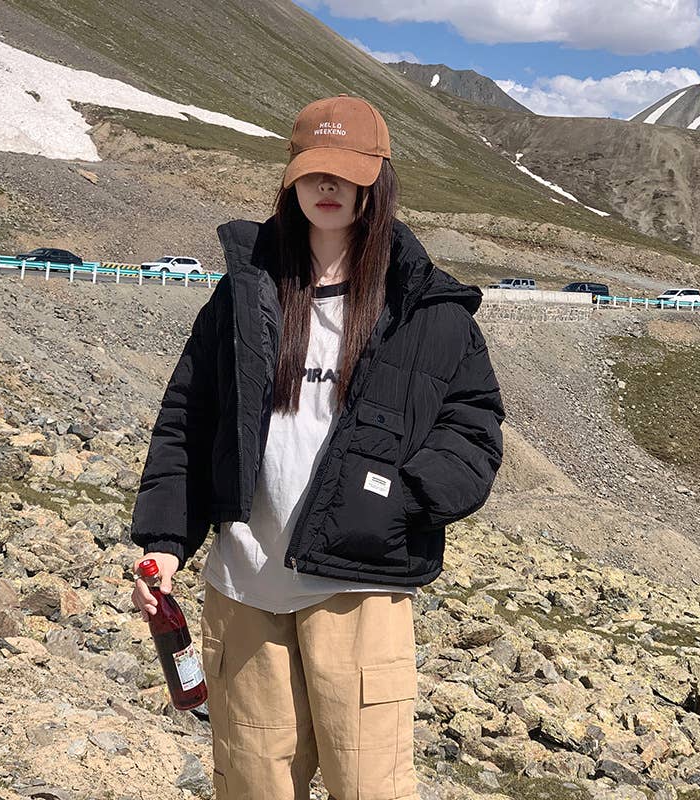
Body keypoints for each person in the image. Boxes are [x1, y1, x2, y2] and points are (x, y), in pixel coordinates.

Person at [130, 94, 505, 800]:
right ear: (292, 176)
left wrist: (400, 501)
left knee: (369, 786)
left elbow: (473, 429)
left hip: (358, 588)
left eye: (346, 172)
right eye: (313, 170)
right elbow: (188, 417)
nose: (327, 185)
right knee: (252, 782)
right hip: (244, 586)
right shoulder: (244, 294)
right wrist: (164, 542)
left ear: (377, 180)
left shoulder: (427, 308)